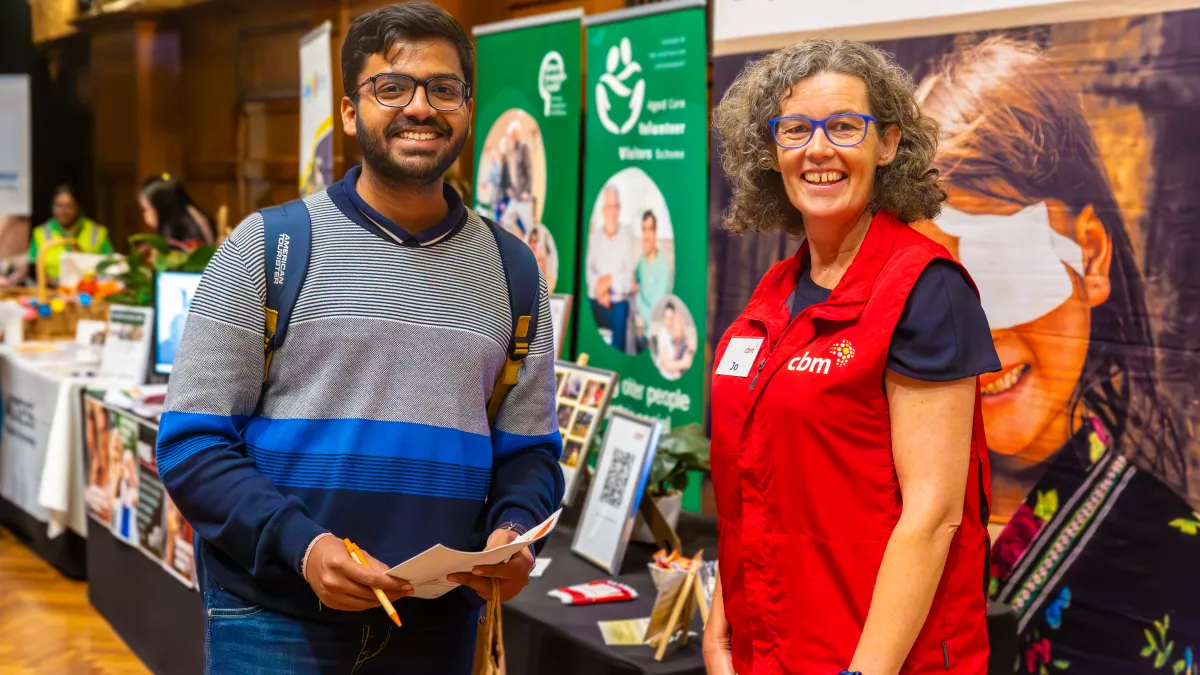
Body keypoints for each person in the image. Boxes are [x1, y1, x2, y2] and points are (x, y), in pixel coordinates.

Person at [155, 4, 564, 673]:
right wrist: (304, 546)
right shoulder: (268, 246)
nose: (421, 108)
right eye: (392, 87)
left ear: (467, 105)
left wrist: (513, 535)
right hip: (274, 624)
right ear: (350, 112)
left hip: (437, 628)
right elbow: (191, 443)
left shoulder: (514, 269)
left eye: (443, 88)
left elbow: (530, 452)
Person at [706, 39, 1001, 675]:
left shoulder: (927, 289)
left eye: (844, 126)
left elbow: (934, 516)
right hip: (770, 644)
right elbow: (750, 487)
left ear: (888, 144)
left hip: (881, 658)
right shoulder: (774, 293)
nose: (818, 150)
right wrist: (720, 625)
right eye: (795, 129)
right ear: (771, 150)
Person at [915, 36, 1198, 673]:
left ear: (1090, 255)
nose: (973, 337)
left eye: (1004, 269)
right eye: (928, 292)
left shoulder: (1175, 565)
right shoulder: (885, 499)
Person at [29, 185, 113, 283]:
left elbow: (110, 265)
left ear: (78, 207)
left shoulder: (97, 232)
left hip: (89, 293)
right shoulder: (41, 233)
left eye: (68, 206)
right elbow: (33, 269)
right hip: (51, 293)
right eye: (58, 206)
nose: (63, 212)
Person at [586, 185, 634, 353]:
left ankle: (615, 362)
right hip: (596, 299)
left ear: (619, 209)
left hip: (618, 301)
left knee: (622, 313)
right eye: (608, 207)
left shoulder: (627, 235)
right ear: (603, 210)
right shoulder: (595, 236)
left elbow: (628, 279)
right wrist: (600, 287)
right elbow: (589, 273)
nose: (612, 212)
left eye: (615, 207)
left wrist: (607, 283)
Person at [139, 174, 214, 250]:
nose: (145, 215)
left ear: (163, 209)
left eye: (146, 209)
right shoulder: (189, 213)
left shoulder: (189, 243)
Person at [632, 210, 671, 351]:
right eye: (643, 230)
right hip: (641, 333)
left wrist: (636, 294)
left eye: (650, 230)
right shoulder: (642, 260)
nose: (646, 236)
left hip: (656, 340)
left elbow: (655, 316)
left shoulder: (663, 266)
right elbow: (632, 279)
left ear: (656, 234)